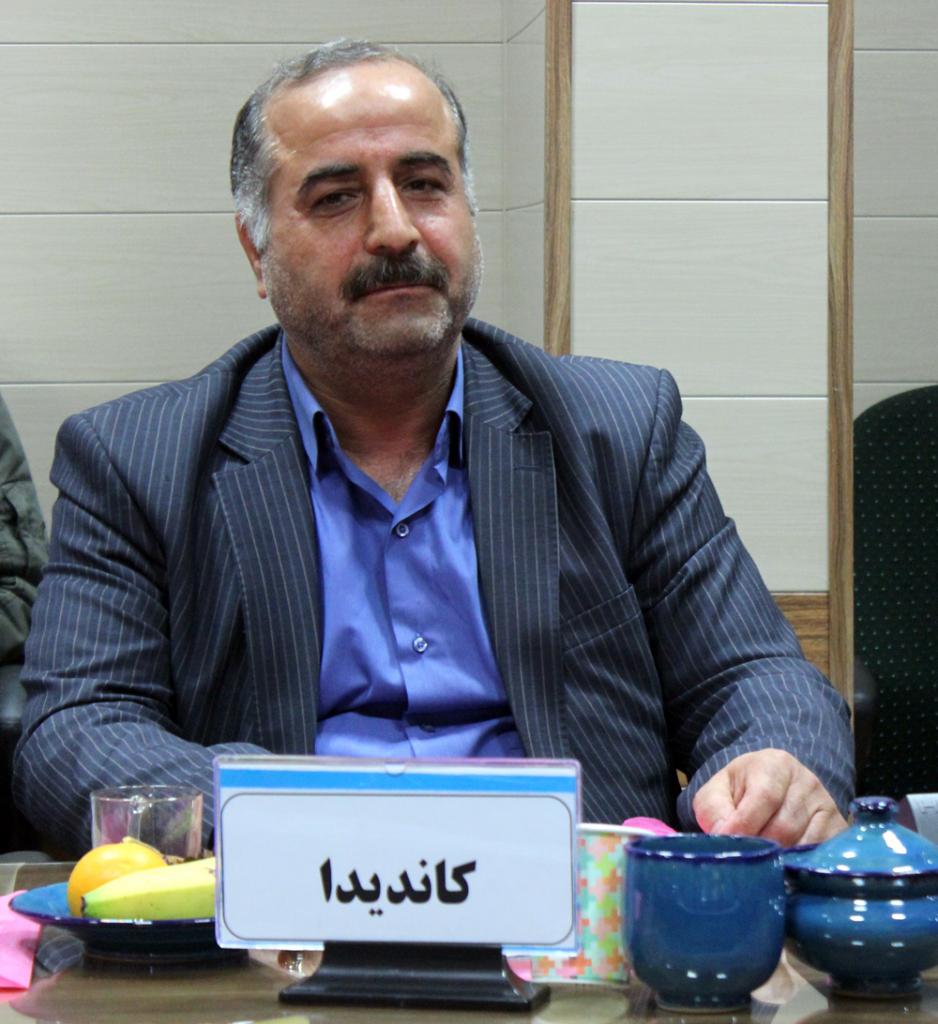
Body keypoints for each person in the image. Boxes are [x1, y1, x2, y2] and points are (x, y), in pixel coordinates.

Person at [13, 40, 853, 857]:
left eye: (424, 184)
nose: (393, 229)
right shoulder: (137, 459)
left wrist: (773, 769)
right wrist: (280, 815)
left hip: (582, 917)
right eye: (336, 198)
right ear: (256, 250)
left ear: (468, 212)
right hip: (294, 917)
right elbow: (76, 731)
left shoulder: (621, 428)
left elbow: (754, 676)